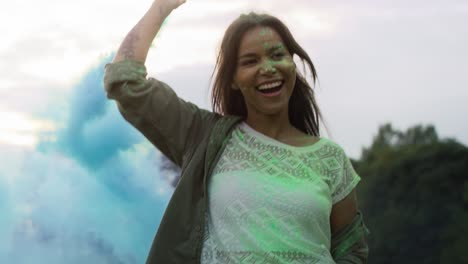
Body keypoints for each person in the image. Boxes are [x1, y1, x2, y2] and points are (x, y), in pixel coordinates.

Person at [103, 0, 370, 263]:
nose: (268, 69)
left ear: (292, 62)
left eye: (277, 55)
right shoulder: (204, 137)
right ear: (232, 79)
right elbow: (124, 81)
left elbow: (351, 251)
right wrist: (161, 7)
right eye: (250, 61)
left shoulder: (330, 159)